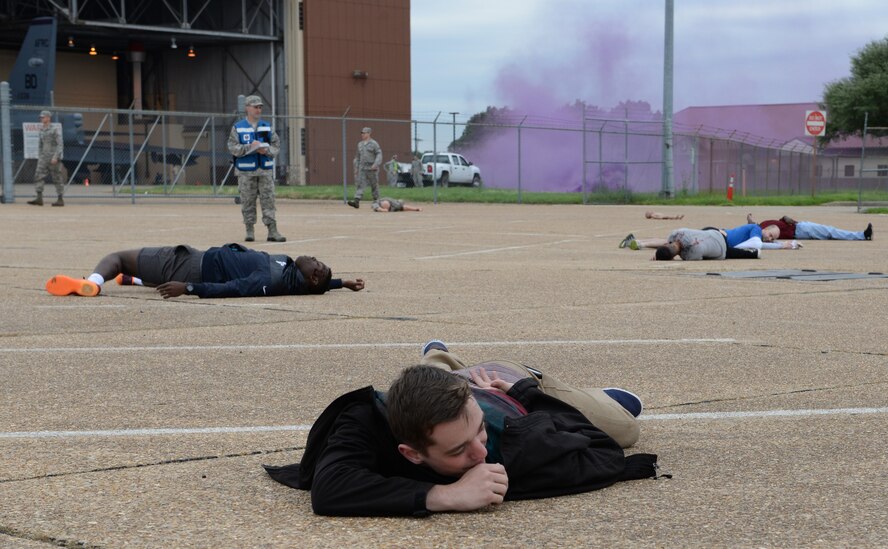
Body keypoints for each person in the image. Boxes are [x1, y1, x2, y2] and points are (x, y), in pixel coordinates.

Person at [263, 340, 663, 517]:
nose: (479, 453)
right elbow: (329, 489)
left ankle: (511, 373)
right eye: (457, 451)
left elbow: (604, 453)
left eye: (478, 435)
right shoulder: (367, 419)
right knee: (434, 380)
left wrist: (525, 393)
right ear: (412, 453)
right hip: (464, 393)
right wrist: (444, 495)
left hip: (504, 385)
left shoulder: (515, 436)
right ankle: (437, 359)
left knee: (624, 427)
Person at [44, 243, 364, 298]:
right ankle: (135, 280)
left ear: (312, 276)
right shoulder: (293, 277)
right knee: (138, 271)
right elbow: (313, 286)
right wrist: (341, 283)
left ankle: (92, 282)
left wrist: (190, 288)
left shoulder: (272, 279)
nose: (313, 258)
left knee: (118, 256)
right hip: (194, 265)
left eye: (317, 264)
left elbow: (234, 289)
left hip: (192, 265)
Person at [227, 95, 286, 243]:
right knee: (247, 201)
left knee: (268, 200)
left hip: (264, 171)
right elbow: (232, 147)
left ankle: (272, 230)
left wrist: (265, 151)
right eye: (255, 107)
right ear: (247, 108)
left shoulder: (267, 127)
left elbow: (276, 145)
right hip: (246, 172)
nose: (258, 110)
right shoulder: (238, 128)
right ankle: (249, 230)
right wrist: (250, 148)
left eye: (260, 107)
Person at [619, 228, 760, 260]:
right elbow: (669, 243)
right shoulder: (675, 233)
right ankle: (641, 243)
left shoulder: (691, 254)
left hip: (722, 246)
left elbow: (699, 256)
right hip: (711, 230)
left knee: (730, 253)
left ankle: (755, 253)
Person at [28, 110, 65, 207]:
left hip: (53, 158)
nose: (41, 119)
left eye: (43, 117)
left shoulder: (54, 130)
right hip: (43, 158)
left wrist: (56, 157)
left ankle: (60, 199)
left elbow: (60, 144)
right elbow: (40, 144)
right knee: (38, 176)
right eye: (41, 117)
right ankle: (39, 198)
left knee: (57, 177)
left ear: (48, 118)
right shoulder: (41, 130)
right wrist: (40, 156)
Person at [747, 213, 873, 241]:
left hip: (799, 226)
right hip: (800, 229)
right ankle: (862, 235)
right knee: (830, 231)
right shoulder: (761, 231)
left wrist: (785, 218)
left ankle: (862, 235)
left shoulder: (763, 225)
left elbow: (781, 223)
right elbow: (773, 235)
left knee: (830, 231)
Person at [347, 127, 382, 208]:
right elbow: (357, 157)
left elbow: (379, 154)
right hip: (362, 168)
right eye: (361, 133)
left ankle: (376, 201)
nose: (362, 134)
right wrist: (356, 168)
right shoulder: (360, 144)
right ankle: (356, 201)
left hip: (372, 168)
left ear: (369, 133)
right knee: (360, 184)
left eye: (364, 133)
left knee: (374, 185)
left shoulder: (374, 143)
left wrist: (376, 164)